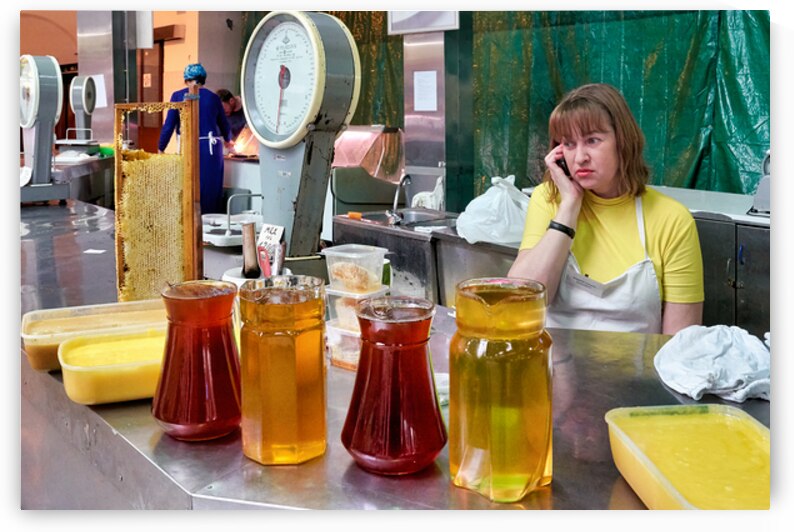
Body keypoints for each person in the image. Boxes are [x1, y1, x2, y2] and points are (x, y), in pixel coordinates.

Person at [508, 83, 703, 336]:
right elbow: (520, 302)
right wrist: (568, 207)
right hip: (554, 359)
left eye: (592, 140)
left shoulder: (672, 219)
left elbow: (680, 342)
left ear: (623, 142)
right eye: (569, 144)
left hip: (638, 362)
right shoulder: (549, 199)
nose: (580, 157)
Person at [158, 63, 233, 214]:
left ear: (186, 80)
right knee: (211, 186)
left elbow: (169, 125)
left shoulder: (178, 96)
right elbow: (224, 124)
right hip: (212, 150)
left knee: (189, 185)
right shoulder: (213, 98)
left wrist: (161, 147)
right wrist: (228, 140)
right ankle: (210, 222)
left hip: (189, 147)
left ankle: (190, 221)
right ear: (203, 79)